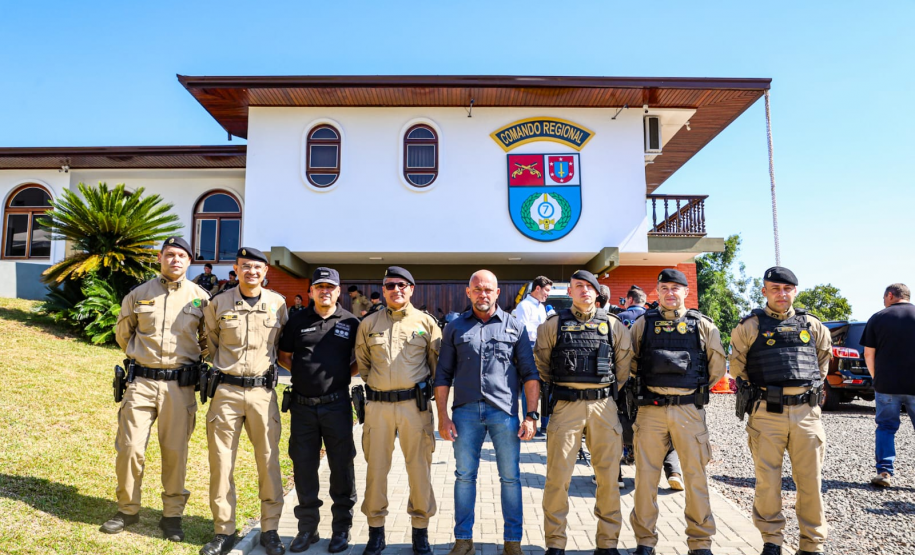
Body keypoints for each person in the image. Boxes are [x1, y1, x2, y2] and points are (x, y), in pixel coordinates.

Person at [100, 236, 209, 542]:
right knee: (130, 447)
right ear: (160, 258)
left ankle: (172, 515)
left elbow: (207, 342)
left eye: (182, 256)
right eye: (170, 254)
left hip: (180, 386)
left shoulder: (201, 298)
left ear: (189, 262)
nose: (175, 260)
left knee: (175, 452)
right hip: (141, 384)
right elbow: (124, 335)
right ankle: (127, 509)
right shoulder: (138, 294)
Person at [434, 270, 540, 555]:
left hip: (504, 414)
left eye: (488, 290)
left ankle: (513, 541)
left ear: (497, 293)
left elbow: (530, 373)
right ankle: (463, 540)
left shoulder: (514, 326)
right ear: (468, 293)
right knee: (464, 477)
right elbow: (443, 375)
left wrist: (531, 415)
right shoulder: (454, 328)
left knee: (510, 477)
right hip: (465, 413)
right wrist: (442, 418)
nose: (483, 294)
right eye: (477, 289)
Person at [729, 266, 832, 555]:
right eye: (775, 288)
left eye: (787, 289)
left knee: (810, 481)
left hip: (806, 414)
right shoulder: (749, 326)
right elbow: (738, 366)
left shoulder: (812, 325)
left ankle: (812, 544)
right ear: (764, 291)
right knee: (767, 481)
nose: (781, 294)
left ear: (795, 291)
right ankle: (771, 541)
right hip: (766, 414)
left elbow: (823, 361)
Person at [628, 269, 726, 555]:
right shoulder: (643, 324)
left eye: (676, 288)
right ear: (657, 292)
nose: (670, 293)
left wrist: (692, 389)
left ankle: (700, 544)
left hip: (688, 411)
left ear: (686, 292)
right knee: (645, 479)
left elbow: (716, 367)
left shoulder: (703, 325)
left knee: (695, 477)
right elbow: (631, 360)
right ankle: (645, 542)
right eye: (664, 288)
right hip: (651, 411)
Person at [535, 269, 632, 555]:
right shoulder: (553, 325)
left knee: (609, 478)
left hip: (604, 406)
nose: (584, 291)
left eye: (590, 287)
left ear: (597, 292)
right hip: (566, 407)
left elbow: (622, 368)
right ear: (570, 292)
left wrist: (602, 392)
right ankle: (555, 543)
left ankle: (607, 543)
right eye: (578, 286)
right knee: (557, 478)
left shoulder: (614, 325)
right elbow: (542, 363)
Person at [200, 247, 289, 555]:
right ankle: (223, 532)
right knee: (221, 463)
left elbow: (281, 344)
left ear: (265, 272)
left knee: (268, 462)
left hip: (263, 394)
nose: (252, 271)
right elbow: (210, 342)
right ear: (235, 270)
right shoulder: (219, 303)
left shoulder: (278, 304)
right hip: (225, 392)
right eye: (245, 266)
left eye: (257, 267)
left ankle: (270, 530)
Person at [354, 266, 442, 555]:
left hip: (414, 409)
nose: (396, 290)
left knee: (419, 471)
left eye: (402, 285)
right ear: (384, 289)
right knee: (376, 471)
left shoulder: (426, 323)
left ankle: (420, 532)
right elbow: (363, 364)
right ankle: (376, 533)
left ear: (411, 289)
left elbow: (435, 364)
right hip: (378, 407)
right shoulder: (368, 323)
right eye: (390, 285)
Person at [278, 268, 360, 553]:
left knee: (341, 468)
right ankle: (307, 529)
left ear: (339, 291)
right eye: (319, 287)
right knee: (303, 468)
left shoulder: (351, 322)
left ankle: (341, 529)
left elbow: (360, 358)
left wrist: (342, 376)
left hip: (337, 406)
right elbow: (285, 356)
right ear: (311, 290)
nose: (325, 291)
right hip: (302, 407)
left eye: (330, 287)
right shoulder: (297, 320)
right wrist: (303, 375)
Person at [606, 286, 683, 491]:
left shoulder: (617, 318)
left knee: (618, 424)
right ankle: (672, 470)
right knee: (663, 427)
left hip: (623, 380)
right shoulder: (653, 318)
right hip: (652, 383)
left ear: (629, 299)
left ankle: (618, 475)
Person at [861, 283, 915, 488]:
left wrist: (877, 378)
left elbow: (868, 353)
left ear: (890, 295)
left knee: (886, 428)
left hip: (887, 385)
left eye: (884, 298)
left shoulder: (878, 318)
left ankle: (884, 472)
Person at [512, 276, 552, 435]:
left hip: (542, 348)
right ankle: (527, 421)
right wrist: (542, 333)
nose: (547, 294)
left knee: (545, 387)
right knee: (529, 385)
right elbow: (522, 330)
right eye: (546, 290)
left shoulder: (541, 307)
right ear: (537, 288)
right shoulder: (524, 306)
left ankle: (544, 425)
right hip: (530, 347)